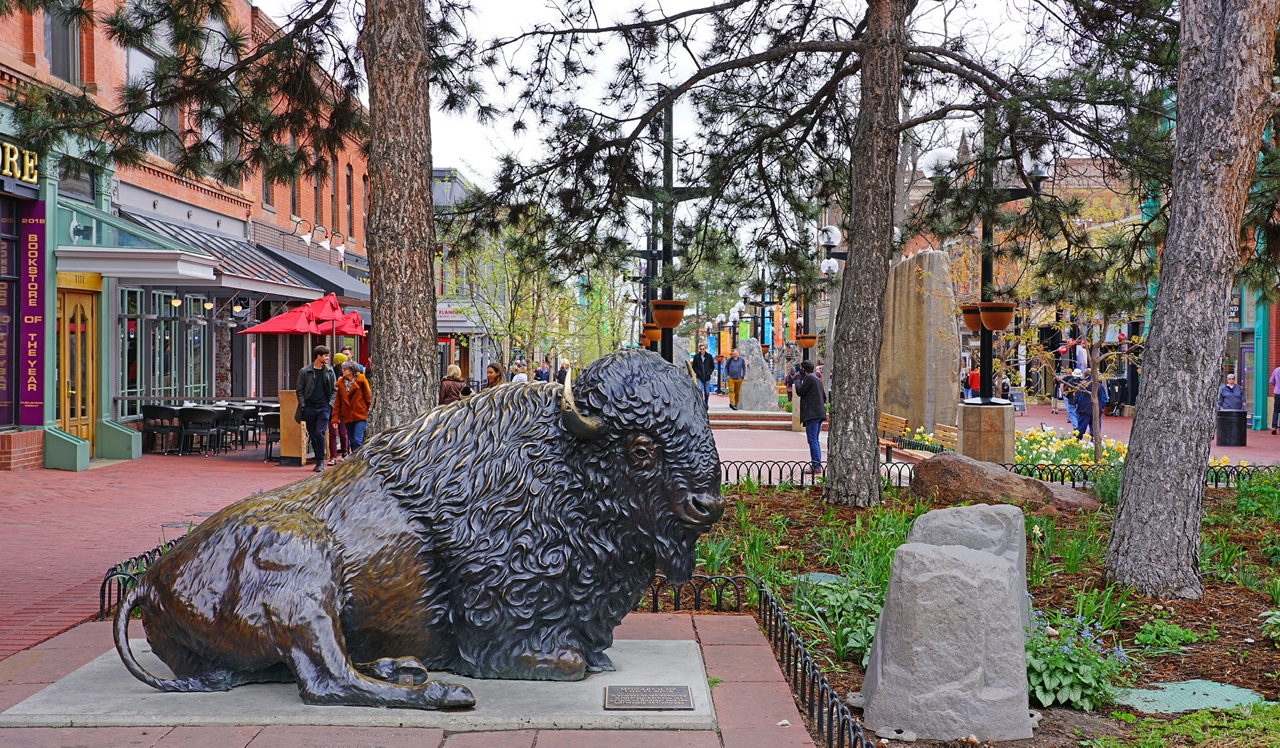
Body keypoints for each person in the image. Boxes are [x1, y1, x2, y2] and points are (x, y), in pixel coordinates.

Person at [296, 345, 336, 472]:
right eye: (325, 356)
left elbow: (334, 390)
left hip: (324, 407)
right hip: (309, 408)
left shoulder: (329, 371)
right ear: (318, 357)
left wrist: (330, 405)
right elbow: (299, 390)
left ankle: (320, 461)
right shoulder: (305, 371)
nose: (327, 358)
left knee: (320, 433)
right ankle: (318, 460)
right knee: (313, 435)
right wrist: (303, 405)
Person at [332, 360, 371, 452]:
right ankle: (354, 460)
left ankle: (358, 460)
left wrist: (368, 411)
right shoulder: (341, 384)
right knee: (352, 441)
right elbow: (338, 403)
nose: (342, 371)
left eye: (344, 369)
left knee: (358, 440)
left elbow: (368, 397)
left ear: (351, 370)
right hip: (347, 416)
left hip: (360, 414)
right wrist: (335, 418)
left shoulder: (361, 381)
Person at [795, 360, 827, 474]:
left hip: (812, 414)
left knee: (812, 440)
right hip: (818, 413)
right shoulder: (817, 379)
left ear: (803, 369)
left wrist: (797, 379)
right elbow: (824, 397)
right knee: (815, 440)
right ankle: (816, 463)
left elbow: (800, 391)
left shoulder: (809, 379)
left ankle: (816, 465)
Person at [1074, 374, 1108, 440]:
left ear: (1085, 375)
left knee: (1080, 430)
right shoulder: (1100, 386)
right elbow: (1104, 399)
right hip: (1096, 411)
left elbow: (1077, 398)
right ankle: (1094, 445)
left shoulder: (1083, 385)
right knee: (1095, 432)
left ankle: (1075, 443)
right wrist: (1101, 407)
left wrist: (1078, 407)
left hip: (1084, 411)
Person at [1270, 364, 1280, 434]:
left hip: (1277, 392)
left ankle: (1274, 426)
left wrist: (1276, 386)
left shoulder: (1276, 370)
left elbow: (1271, 381)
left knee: (1276, 410)